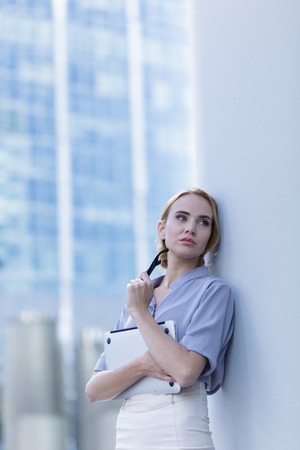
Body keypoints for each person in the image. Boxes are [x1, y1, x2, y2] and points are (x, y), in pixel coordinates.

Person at [86, 188, 234, 450]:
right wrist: (142, 366)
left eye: (203, 222)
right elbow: (95, 390)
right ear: (161, 229)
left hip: (180, 428)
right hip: (130, 432)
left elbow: (186, 371)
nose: (191, 228)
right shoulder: (139, 296)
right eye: (182, 218)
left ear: (211, 237)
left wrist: (141, 314)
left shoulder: (212, 292)